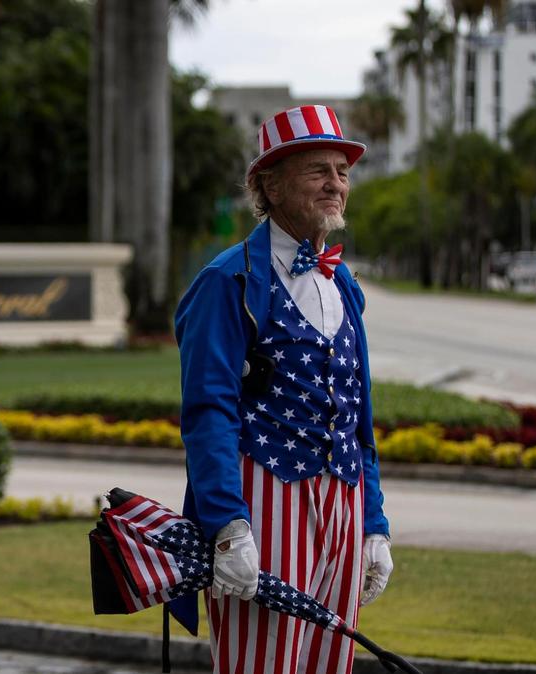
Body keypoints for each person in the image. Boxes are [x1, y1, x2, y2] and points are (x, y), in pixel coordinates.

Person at [171, 105, 392, 674]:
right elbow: (208, 410)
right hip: (262, 505)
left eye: (342, 172)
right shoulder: (228, 280)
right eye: (318, 169)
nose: (335, 184)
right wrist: (227, 525)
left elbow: (358, 415)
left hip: (343, 503)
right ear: (269, 185)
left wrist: (374, 522)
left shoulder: (343, 281)